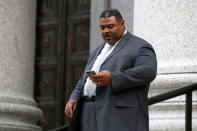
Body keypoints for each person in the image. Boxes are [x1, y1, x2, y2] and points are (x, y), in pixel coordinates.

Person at [65, 8, 157, 131]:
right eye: (102, 28)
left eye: (110, 26)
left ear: (122, 23)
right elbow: (84, 80)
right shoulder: (97, 51)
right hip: (86, 112)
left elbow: (148, 71)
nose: (106, 31)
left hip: (117, 115)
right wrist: (74, 98)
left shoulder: (140, 46)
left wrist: (112, 78)